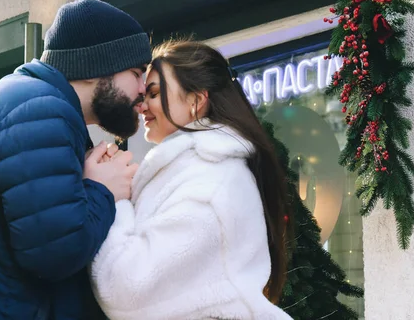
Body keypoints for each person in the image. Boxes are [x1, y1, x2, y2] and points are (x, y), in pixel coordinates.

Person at [0, 0, 151, 320]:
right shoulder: (39, 110)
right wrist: (102, 190)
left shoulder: (27, 103)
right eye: (136, 72)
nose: (144, 88)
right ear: (96, 67)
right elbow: (54, 254)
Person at [90, 40, 294, 319]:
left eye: (154, 93)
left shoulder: (209, 184)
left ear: (196, 101)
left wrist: (113, 198)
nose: (142, 106)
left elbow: (127, 291)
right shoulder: (196, 173)